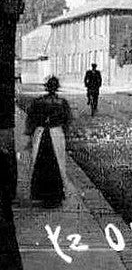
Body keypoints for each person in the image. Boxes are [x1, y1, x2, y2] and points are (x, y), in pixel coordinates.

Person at [25, 76, 72, 207]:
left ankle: (41, 194)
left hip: (41, 134)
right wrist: (65, 134)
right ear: (57, 88)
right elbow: (67, 121)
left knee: (41, 163)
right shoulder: (62, 103)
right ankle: (55, 195)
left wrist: (31, 135)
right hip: (56, 134)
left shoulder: (38, 102)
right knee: (57, 163)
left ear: (46, 87)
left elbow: (31, 120)